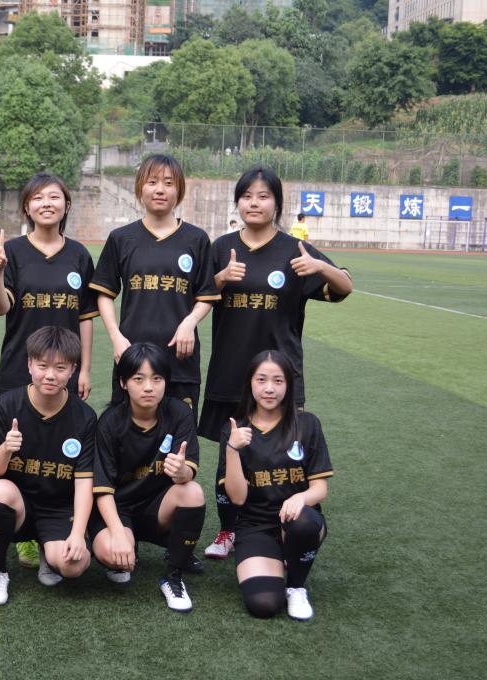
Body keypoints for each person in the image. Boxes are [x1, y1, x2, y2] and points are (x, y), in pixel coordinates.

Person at [199, 165, 351, 561]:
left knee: (283, 455)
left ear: (277, 204)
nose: (254, 203)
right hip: (231, 372)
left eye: (263, 196)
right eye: (247, 196)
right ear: (238, 202)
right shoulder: (221, 247)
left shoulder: (294, 250)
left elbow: (345, 287)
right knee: (230, 454)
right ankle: (229, 531)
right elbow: (194, 297)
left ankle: (285, 527)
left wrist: (321, 267)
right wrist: (220, 279)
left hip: (281, 378)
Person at [0, 172, 99, 570]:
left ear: (67, 205)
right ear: (27, 206)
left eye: (54, 197)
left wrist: (84, 368)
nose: (46, 203)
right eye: (38, 197)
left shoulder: (79, 255)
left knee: (57, 447)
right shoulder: (12, 251)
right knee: (17, 447)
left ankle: (55, 524)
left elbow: (86, 317)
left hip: (64, 371)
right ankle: (23, 532)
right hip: (20, 367)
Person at [90, 154, 220, 415]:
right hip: (131, 357)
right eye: (152, 182)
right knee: (127, 434)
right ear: (140, 187)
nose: (160, 189)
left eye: (169, 183)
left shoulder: (196, 239)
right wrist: (116, 337)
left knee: (179, 434)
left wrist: (190, 322)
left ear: (179, 190)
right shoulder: (121, 238)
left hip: (180, 360)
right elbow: (104, 294)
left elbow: (206, 294)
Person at [0, 327, 96, 605]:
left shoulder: (85, 417)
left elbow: (83, 481)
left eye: (60, 368)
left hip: (58, 509)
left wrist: (78, 534)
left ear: (73, 370)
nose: (50, 375)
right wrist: (6, 448)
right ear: (30, 364)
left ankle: (47, 549)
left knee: (73, 566)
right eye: (42, 366)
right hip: (19, 505)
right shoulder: (6, 405)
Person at [90, 343, 206, 613]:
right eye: (138, 379)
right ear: (123, 382)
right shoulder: (110, 422)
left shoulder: (179, 413)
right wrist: (118, 534)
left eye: (157, 379)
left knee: (192, 491)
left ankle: (173, 575)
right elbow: (103, 489)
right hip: (119, 508)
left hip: (157, 506)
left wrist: (181, 472)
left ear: (166, 381)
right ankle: (127, 544)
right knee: (117, 558)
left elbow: (188, 471)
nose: (148, 387)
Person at [221, 351, 333, 621]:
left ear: (289, 385)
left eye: (278, 381)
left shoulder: (307, 424)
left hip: (297, 519)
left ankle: (296, 586)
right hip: (255, 526)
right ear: (250, 383)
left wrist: (301, 498)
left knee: (302, 522)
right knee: (264, 604)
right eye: (261, 380)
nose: (269, 388)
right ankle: (280, 558)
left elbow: (320, 489)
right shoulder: (236, 429)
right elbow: (237, 498)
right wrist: (232, 449)